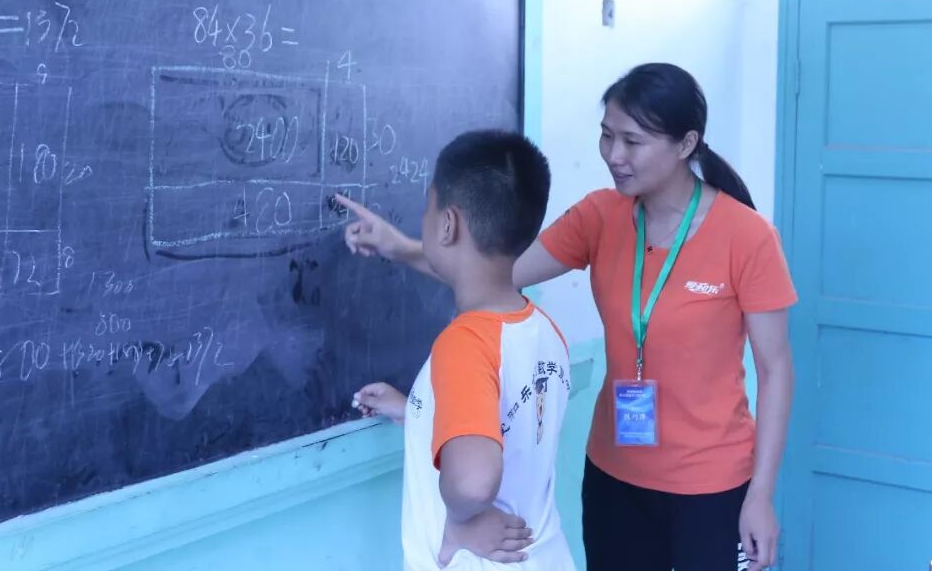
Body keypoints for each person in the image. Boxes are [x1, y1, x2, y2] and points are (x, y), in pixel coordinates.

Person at [340, 63, 797, 571]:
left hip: (713, 485)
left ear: (686, 144)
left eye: (632, 141)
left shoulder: (748, 237)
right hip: (615, 478)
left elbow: (775, 370)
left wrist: (760, 494)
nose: (614, 155)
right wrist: (401, 247)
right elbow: (491, 268)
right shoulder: (601, 216)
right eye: (607, 135)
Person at [343, 129, 575, 570]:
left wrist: (461, 523)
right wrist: (417, 412)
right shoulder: (544, 331)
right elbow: (507, 423)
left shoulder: (465, 342)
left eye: (428, 207)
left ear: (448, 224)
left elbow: (472, 481)